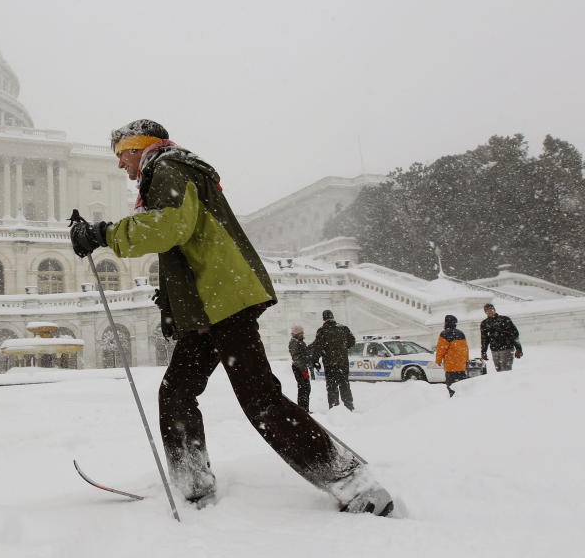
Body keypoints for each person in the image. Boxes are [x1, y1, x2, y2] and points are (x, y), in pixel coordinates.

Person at [69, 118, 393, 515]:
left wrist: (103, 234)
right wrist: (172, 301)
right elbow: (190, 244)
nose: (120, 165)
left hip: (223, 301)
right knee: (177, 392)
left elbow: (170, 227)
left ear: (140, 148)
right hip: (211, 303)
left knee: (260, 400)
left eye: (121, 155)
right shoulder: (171, 170)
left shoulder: (167, 168)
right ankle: (193, 486)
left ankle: (353, 483)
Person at [309, 310, 356, 411]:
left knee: (332, 386)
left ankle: (334, 408)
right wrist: (343, 348)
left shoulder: (322, 331)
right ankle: (349, 406)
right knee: (344, 384)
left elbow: (318, 347)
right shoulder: (343, 328)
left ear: (324, 318)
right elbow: (352, 341)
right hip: (343, 362)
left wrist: (315, 360)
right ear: (332, 317)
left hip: (330, 364)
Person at [480, 303, 523, 372]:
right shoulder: (484, 324)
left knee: (506, 370)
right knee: (499, 370)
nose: (489, 311)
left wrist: (518, 349)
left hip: (507, 348)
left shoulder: (505, 319)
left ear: (494, 310)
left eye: (491, 309)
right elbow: (484, 339)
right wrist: (483, 352)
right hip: (494, 350)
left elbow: (514, 335)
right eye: (487, 310)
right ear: (485, 312)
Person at [436, 314, 469, 397]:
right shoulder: (461, 333)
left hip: (451, 366)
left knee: (451, 385)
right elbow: (466, 349)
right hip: (461, 365)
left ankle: (453, 400)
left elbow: (441, 349)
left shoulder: (444, 334)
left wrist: (438, 360)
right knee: (461, 385)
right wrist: (466, 360)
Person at [288, 325, 311, 412]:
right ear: (297, 333)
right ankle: (302, 409)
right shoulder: (295, 342)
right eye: (301, 332)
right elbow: (297, 357)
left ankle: (305, 408)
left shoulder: (298, 342)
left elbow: (302, 354)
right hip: (300, 368)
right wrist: (304, 367)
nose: (303, 334)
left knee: (305, 388)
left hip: (302, 367)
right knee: (303, 388)